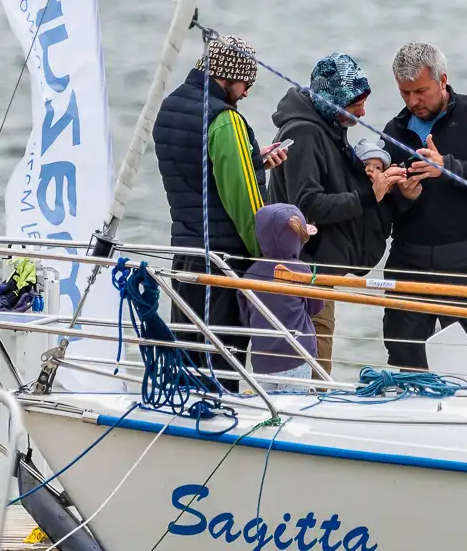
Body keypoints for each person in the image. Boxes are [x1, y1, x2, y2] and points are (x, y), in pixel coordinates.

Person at [151, 34, 287, 378]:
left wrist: (252, 161)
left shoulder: (169, 107)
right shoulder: (225, 119)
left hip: (185, 255)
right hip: (223, 263)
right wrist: (266, 256)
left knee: (189, 358)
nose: (247, 92)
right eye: (246, 83)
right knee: (223, 365)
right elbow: (245, 203)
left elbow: (197, 178)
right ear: (228, 76)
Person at [379, 41, 467, 370]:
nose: (413, 101)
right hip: (407, 263)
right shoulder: (394, 131)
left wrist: (448, 168)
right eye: (405, 93)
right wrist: (403, 197)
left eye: (421, 91)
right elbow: (385, 211)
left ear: (443, 80)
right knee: (405, 366)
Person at [269, 52, 404, 374]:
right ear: (334, 100)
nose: (363, 111)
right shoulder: (305, 134)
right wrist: (369, 194)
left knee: (318, 358)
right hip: (304, 274)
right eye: (356, 103)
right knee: (314, 366)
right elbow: (308, 205)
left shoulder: (328, 130)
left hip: (316, 273)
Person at [237, 203, 324, 385]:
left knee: (267, 400)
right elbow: (316, 307)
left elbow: (245, 316)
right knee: (295, 401)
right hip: (298, 354)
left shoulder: (251, 273)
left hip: (263, 360)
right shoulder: (301, 271)